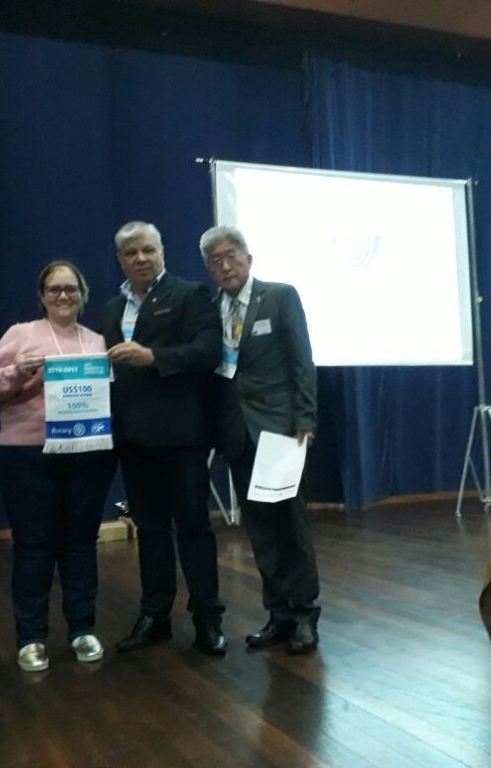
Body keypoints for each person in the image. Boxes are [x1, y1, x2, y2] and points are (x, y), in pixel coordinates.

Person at [0, 261, 117, 672]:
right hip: (27, 456)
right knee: (33, 546)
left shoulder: (97, 342)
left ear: (83, 295)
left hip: (87, 454)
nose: (63, 296)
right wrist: (19, 370)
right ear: (41, 296)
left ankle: (82, 629)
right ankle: (31, 637)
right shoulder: (21, 334)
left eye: (71, 289)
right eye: (54, 289)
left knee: (81, 544)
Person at [104, 221, 227, 655]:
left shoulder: (190, 294)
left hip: (181, 437)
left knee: (193, 528)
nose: (141, 258)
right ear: (120, 260)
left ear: (162, 252)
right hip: (133, 439)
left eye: (148, 250)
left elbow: (208, 351)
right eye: (131, 253)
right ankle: (155, 616)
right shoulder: (111, 308)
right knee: (151, 531)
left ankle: (208, 619)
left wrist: (152, 356)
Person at [200, 225, 321, 654]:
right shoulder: (210, 309)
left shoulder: (280, 296)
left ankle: (305, 615)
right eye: (215, 261)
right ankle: (279, 613)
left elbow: (302, 360)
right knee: (261, 530)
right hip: (237, 433)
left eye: (231, 256)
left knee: (291, 525)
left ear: (248, 259)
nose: (225, 266)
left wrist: (305, 416)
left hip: (281, 429)